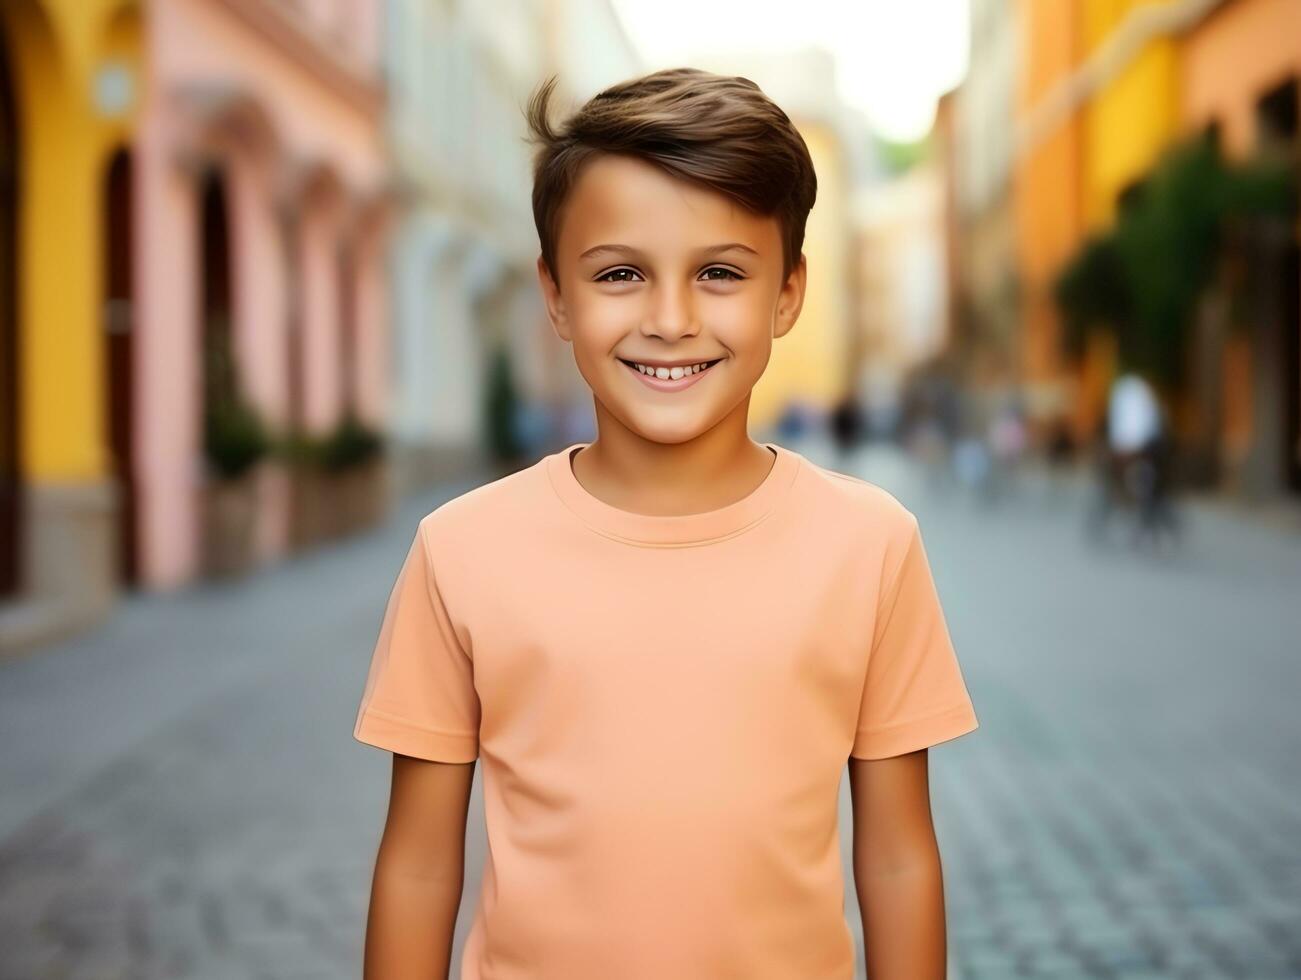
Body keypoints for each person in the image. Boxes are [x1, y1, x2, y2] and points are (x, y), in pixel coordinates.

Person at [352, 67, 980, 980]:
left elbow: (894, 854)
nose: (671, 319)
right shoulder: (461, 550)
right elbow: (415, 864)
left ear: (788, 294)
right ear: (557, 296)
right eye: (620, 274)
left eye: (719, 273)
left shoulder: (870, 546)